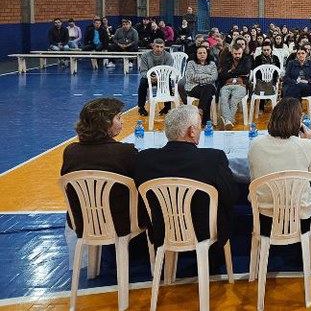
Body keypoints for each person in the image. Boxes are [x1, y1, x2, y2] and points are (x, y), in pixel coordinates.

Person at [134, 105, 238, 265]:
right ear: (191, 131)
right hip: (204, 231)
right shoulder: (213, 158)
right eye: (199, 127)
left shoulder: (144, 159)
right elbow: (231, 196)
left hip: (162, 229)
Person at [61, 97, 147, 238]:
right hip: (120, 224)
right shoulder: (125, 152)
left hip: (81, 222)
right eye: (119, 118)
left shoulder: (70, 151)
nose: (122, 122)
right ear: (106, 123)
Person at [248, 98, 311, 233]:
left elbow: (253, 177)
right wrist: (309, 143)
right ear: (298, 122)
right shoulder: (306, 146)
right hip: (299, 218)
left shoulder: (255, 144)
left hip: (264, 216)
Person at [217, 45, 252, 129]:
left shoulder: (246, 59)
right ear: (232, 53)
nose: (237, 55)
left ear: (242, 52)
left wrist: (231, 72)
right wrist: (236, 72)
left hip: (241, 84)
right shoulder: (227, 60)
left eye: (239, 53)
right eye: (235, 53)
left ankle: (226, 120)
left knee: (233, 101)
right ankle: (229, 120)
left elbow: (246, 70)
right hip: (227, 84)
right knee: (223, 99)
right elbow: (222, 74)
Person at [137, 39, 174, 117]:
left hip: (162, 77)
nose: (159, 49)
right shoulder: (145, 56)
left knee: (168, 83)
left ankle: (167, 107)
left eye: (161, 47)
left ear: (164, 47)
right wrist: (149, 77)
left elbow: (169, 71)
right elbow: (143, 70)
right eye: (157, 46)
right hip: (149, 77)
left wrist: (160, 77)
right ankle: (141, 107)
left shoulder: (168, 56)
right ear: (153, 46)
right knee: (142, 83)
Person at [184, 46, 218, 125]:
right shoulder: (191, 63)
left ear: (207, 54)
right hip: (193, 87)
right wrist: (206, 76)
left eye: (204, 53)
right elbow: (191, 77)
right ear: (196, 54)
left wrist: (199, 77)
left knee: (207, 88)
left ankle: (200, 111)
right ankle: (206, 120)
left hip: (209, 87)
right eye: (200, 53)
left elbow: (214, 77)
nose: (202, 54)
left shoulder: (212, 64)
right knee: (207, 93)